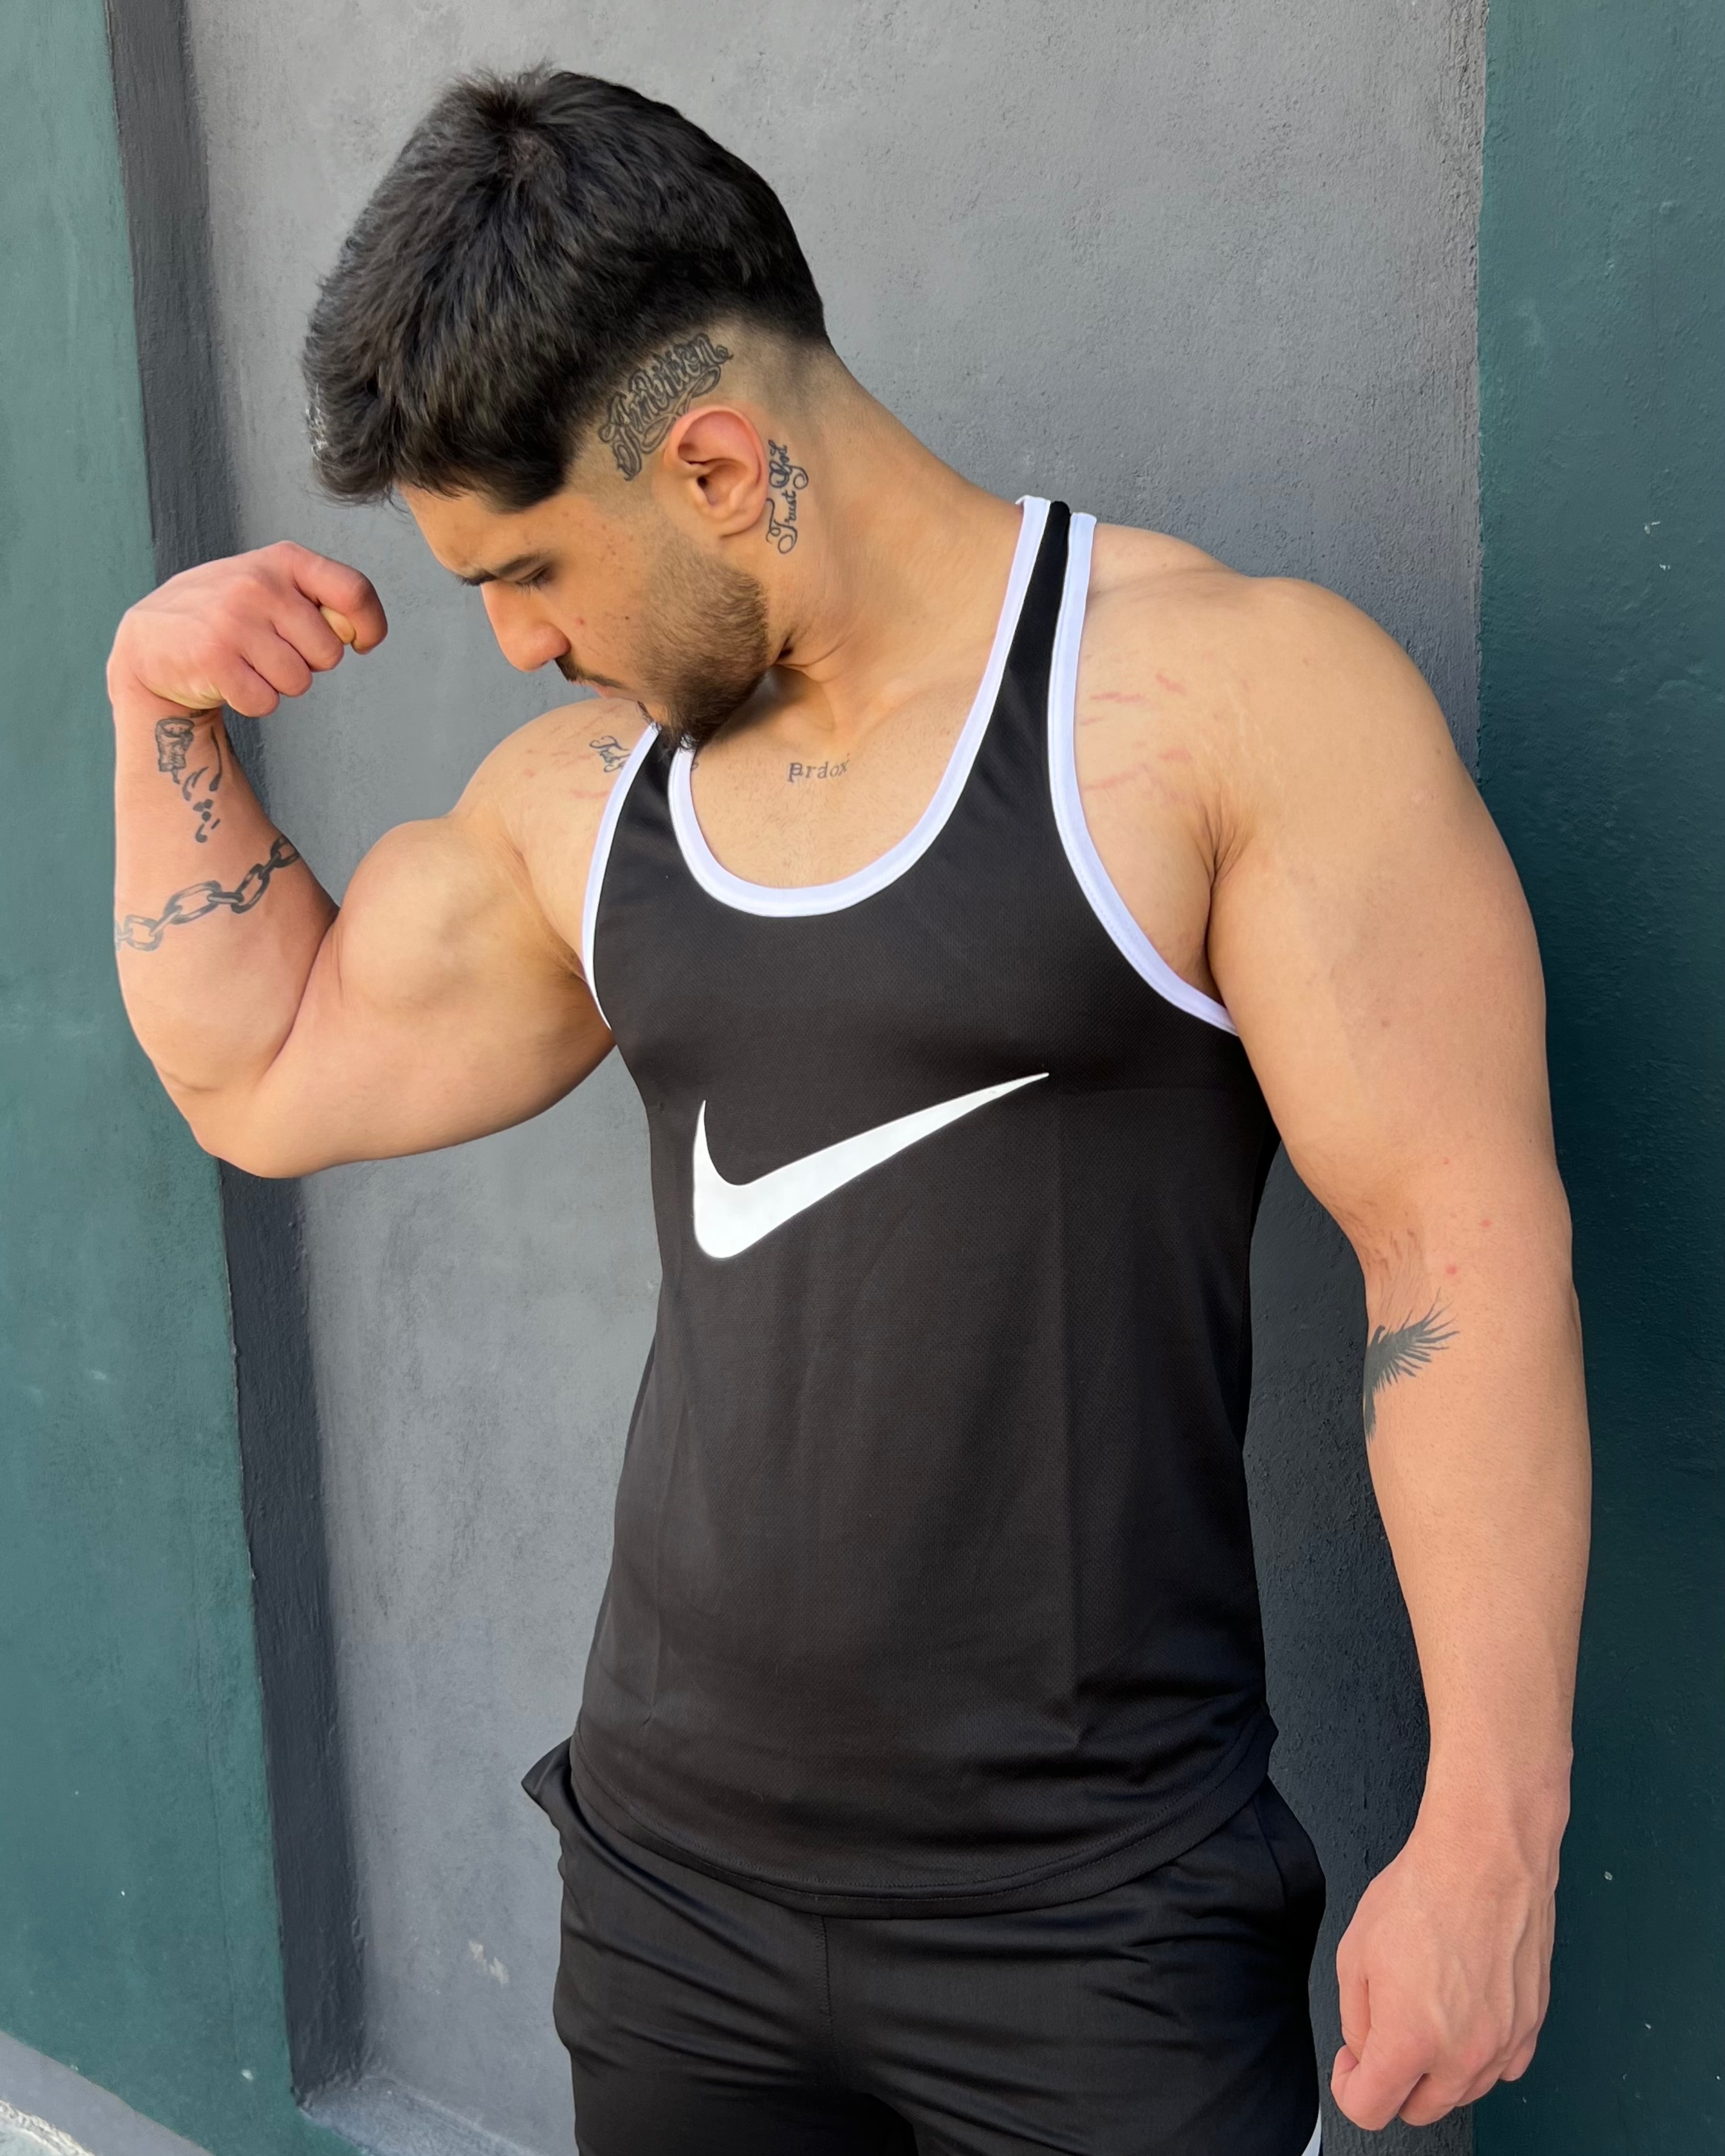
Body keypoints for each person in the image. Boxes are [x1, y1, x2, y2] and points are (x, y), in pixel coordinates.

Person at [108, 67, 1589, 2156]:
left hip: (1095, 1927)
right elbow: (261, 1073)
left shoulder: (1225, 711)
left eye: (528, 570)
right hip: (670, 1896)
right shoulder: (592, 803)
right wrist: (158, 716)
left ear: (716, 467)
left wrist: (1492, 1833)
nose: (517, 644)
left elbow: (1459, 1260)